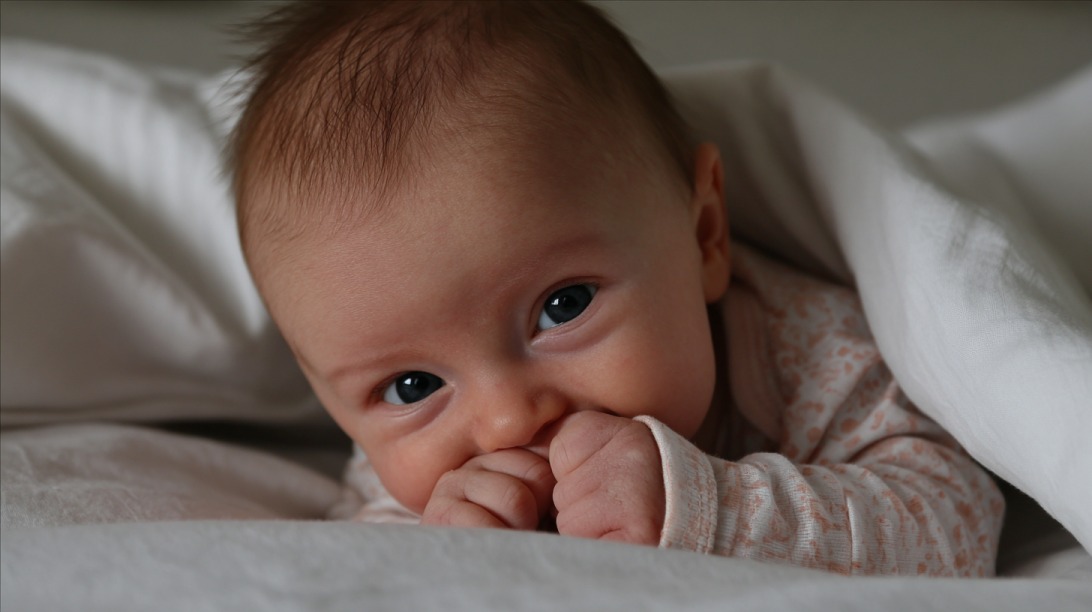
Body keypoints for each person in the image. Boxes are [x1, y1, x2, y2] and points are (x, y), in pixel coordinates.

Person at [230, 0, 1003, 576]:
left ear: (705, 236)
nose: (505, 422)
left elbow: (954, 523)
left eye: (561, 306)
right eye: (411, 384)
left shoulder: (810, 352)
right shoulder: (422, 484)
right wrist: (450, 559)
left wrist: (709, 509)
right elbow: (356, 565)